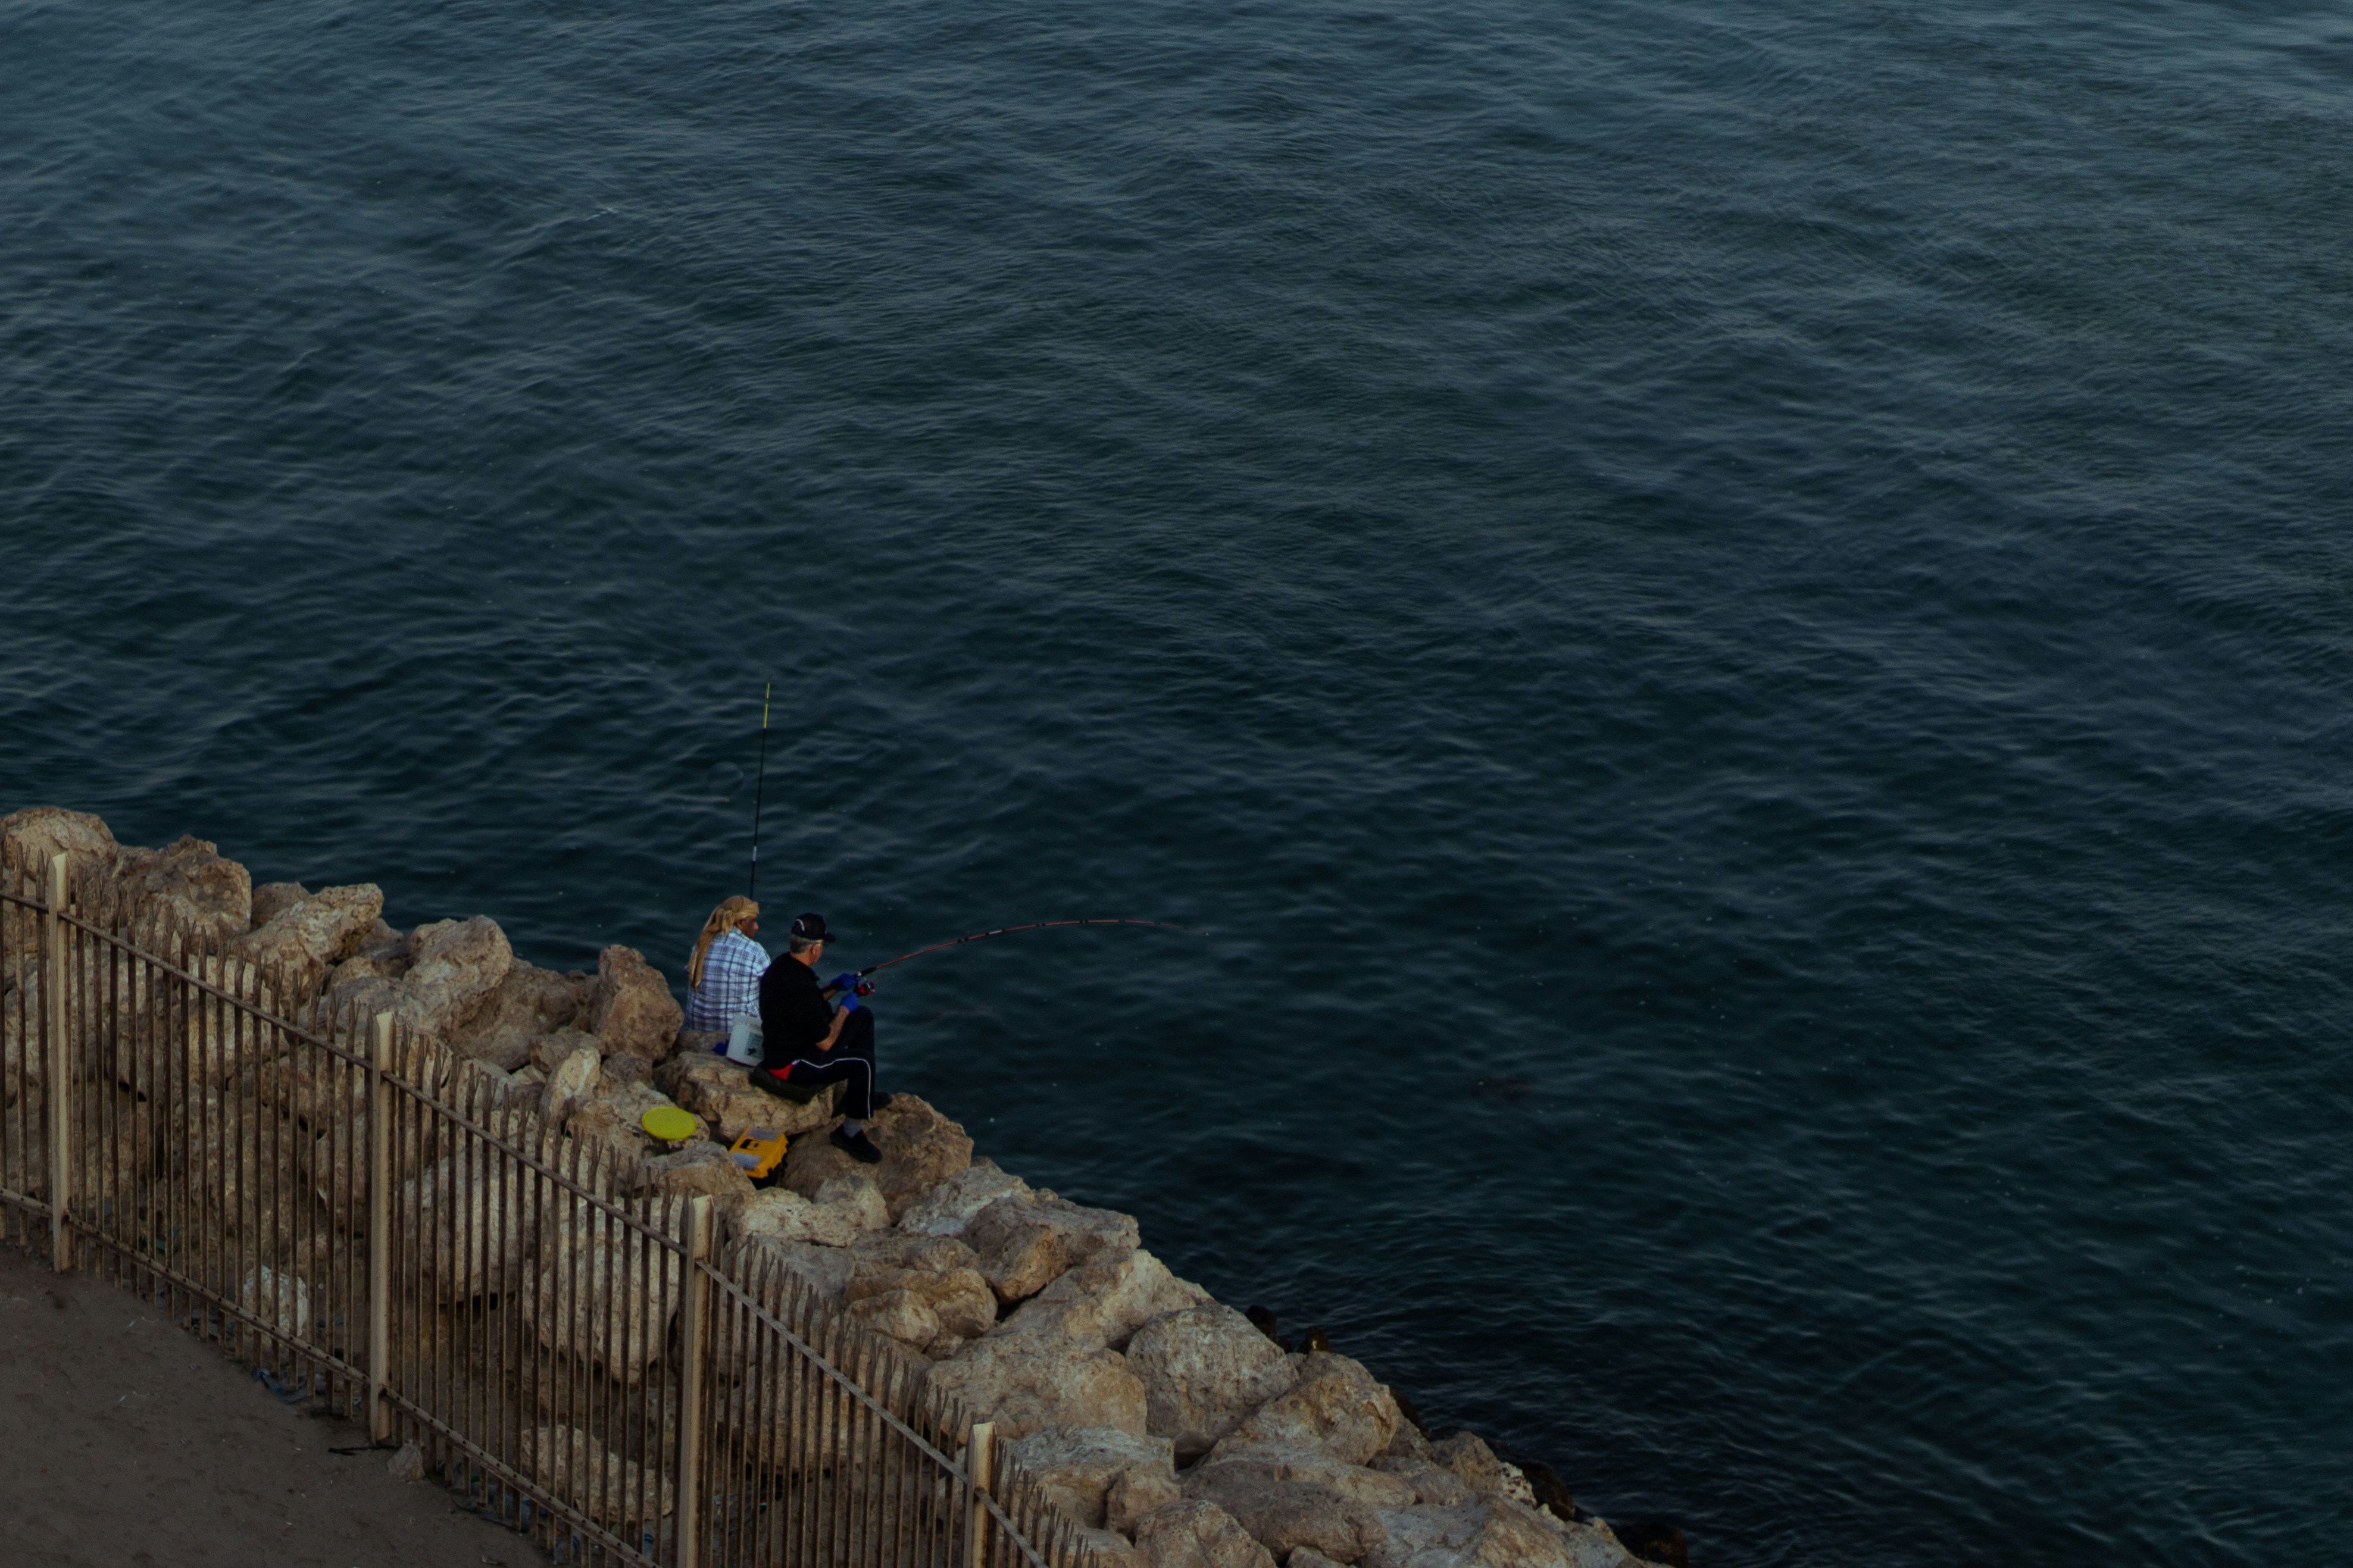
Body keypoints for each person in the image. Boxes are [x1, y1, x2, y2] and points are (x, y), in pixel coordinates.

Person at [752, 912, 891, 1163]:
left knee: (864, 1018)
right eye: (823, 946)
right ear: (815, 950)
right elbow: (825, 1042)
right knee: (863, 1063)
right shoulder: (800, 985)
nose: (823, 950)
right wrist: (845, 1009)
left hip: (796, 1041)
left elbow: (806, 1005)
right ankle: (849, 1133)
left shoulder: (783, 967)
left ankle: (863, 1096)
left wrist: (836, 987)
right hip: (791, 1063)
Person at [684, 896, 765, 1035]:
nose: (757, 927)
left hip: (697, 1030)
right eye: (753, 921)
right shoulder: (755, 952)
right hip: (735, 1037)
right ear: (740, 923)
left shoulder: (701, 945)